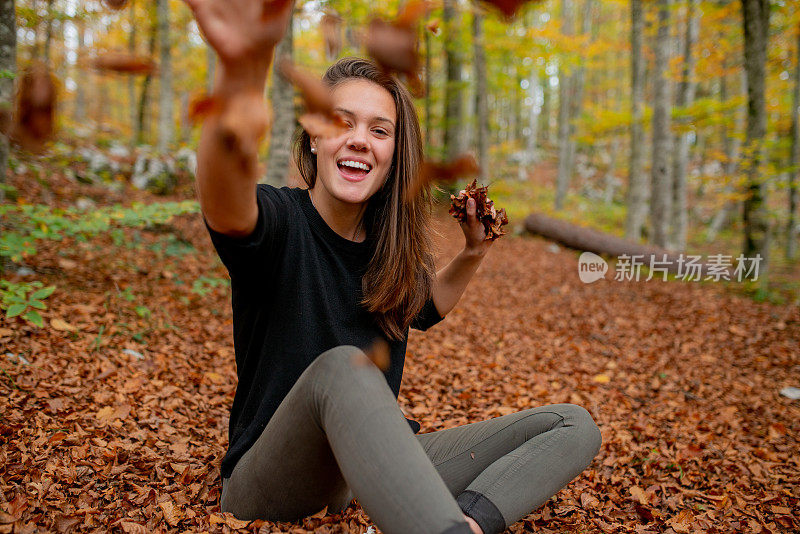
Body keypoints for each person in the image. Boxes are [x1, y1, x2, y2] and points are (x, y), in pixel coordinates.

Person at [184, 1, 602, 533]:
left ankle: (464, 526)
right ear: (314, 135)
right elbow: (224, 203)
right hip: (268, 483)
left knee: (572, 424)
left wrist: (473, 253)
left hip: (362, 477)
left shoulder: (389, 250)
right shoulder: (280, 222)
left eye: (380, 131)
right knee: (343, 369)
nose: (360, 138)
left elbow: (427, 306)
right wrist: (239, 72)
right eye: (342, 122)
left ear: (393, 155)